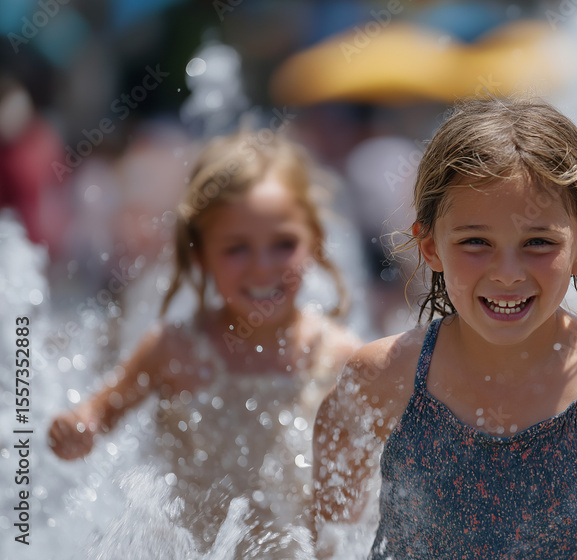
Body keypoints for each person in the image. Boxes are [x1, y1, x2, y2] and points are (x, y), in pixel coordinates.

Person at [311, 97, 577, 560]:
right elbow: (327, 543)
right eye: (475, 242)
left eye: (538, 243)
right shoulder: (381, 378)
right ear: (430, 246)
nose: (507, 272)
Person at [47, 130, 362, 557]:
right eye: (237, 248)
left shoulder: (340, 358)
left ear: (315, 240)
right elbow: (103, 412)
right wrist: (79, 426)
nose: (262, 267)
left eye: (283, 245)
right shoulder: (175, 350)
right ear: (199, 253)